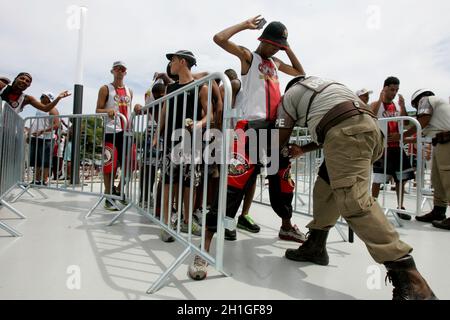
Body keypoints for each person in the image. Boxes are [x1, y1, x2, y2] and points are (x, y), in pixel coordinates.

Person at [274, 75, 436, 300]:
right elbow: (332, 126)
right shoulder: (325, 90)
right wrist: (302, 150)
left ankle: (411, 279)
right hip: (363, 131)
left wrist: (269, 156)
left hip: (348, 134)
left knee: (354, 202)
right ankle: (316, 246)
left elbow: (282, 132)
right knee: (325, 189)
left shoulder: (289, 96)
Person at [188, 16, 307, 281]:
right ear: (263, 41)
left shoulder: (276, 62)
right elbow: (219, 39)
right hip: (249, 128)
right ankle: (203, 249)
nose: (277, 50)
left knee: (283, 181)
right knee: (232, 186)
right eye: (274, 45)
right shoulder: (248, 58)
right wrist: (244, 25)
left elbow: (299, 71)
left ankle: (286, 226)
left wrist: (287, 48)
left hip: (277, 129)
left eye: (280, 46)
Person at [154, 50, 211, 242]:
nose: (170, 64)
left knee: (190, 183)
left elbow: (209, 114)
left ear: (183, 62)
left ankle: (187, 220)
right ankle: (165, 222)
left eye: (173, 60)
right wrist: (157, 134)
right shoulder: (170, 89)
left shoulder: (200, 87)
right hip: (172, 141)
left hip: (192, 142)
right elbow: (164, 111)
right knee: (169, 180)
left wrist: (198, 124)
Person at [390, 89, 450, 230]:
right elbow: (417, 134)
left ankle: (440, 211)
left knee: (448, 178)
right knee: (438, 179)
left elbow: (421, 122)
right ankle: (438, 211)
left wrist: (400, 136)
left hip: (447, 141)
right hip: (440, 142)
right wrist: (403, 138)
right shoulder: (437, 114)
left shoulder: (427, 100)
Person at [96, 61, 138, 211]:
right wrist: (107, 111)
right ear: (112, 71)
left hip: (127, 131)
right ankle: (108, 196)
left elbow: (128, 108)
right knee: (110, 166)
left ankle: (118, 191)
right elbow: (98, 109)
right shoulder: (105, 88)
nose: (120, 71)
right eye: (117, 69)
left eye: (123, 69)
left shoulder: (129, 91)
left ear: (125, 72)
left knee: (132, 163)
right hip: (111, 131)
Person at [370, 77, 414, 220]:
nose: (394, 93)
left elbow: (406, 122)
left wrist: (403, 106)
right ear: (385, 88)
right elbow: (371, 115)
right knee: (378, 179)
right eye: (392, 90)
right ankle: (372, 207)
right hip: (383, 148)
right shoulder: (376, 104)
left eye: (396, 90)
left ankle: (400, 207)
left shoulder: (397, 106)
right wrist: (379, 98)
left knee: (402, 178)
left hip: (397, 147)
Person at [28, 93, 61, 185]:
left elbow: (57, 124)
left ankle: (44, 180)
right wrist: (29, 134)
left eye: (43, 96)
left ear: (49, 99)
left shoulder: (53, 109)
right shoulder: (39, 108)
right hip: (35, 137)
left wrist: (42, 131)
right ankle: (36, 180)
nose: (41, 98)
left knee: (45, 161)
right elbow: (35, 122)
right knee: (36, 160)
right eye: (41, 96)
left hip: (47, 139)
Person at [0, 72, 70, 114]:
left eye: (27, 81)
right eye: (22, 78)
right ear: (15, 79)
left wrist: (58, 98)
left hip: (6, 129)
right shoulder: (2, 86)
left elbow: (45, 108)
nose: (24, 81)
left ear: (29, 85)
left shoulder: (27, 98)